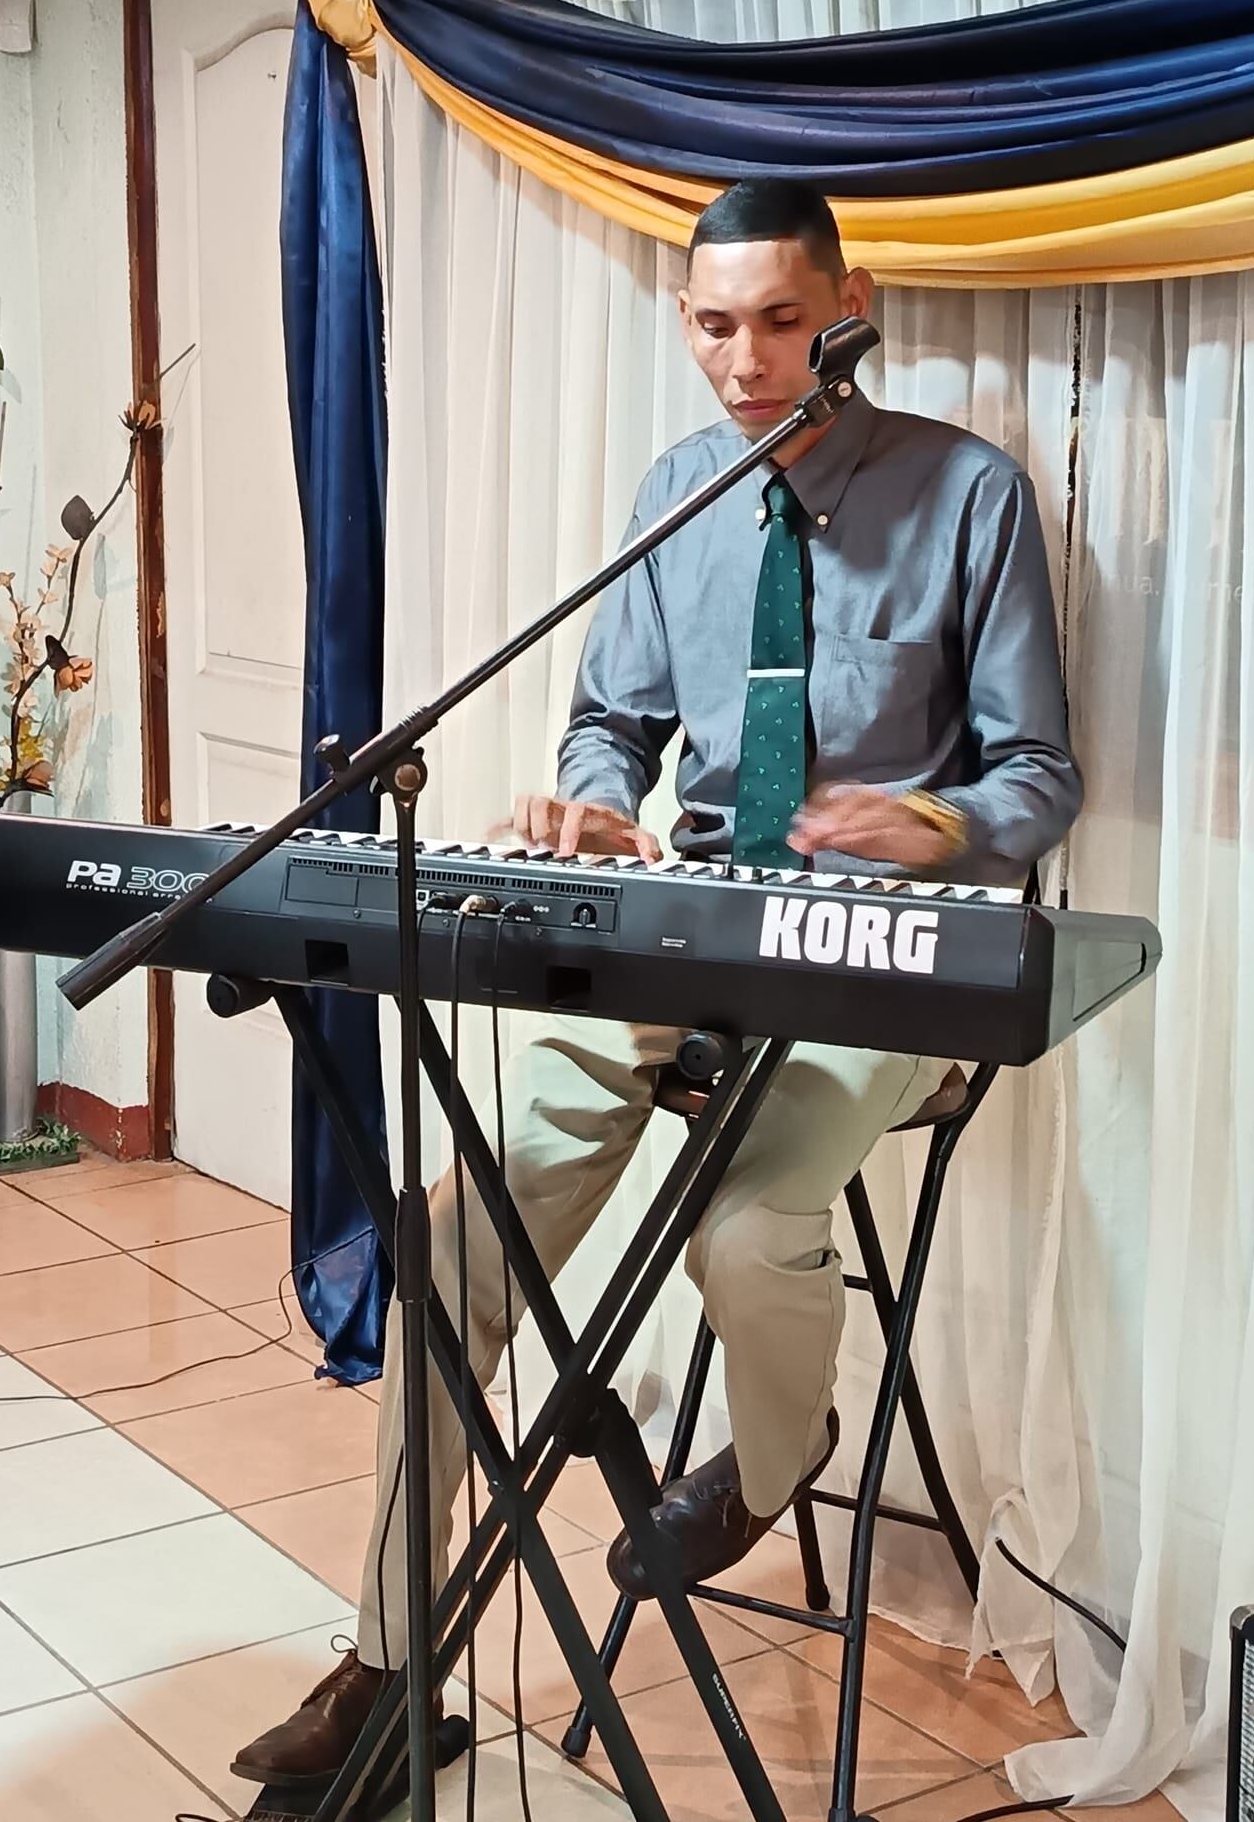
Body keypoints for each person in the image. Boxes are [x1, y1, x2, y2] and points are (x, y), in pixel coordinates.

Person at [232, 178, 1082, 1791]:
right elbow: (610, 725)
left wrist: (939, 818)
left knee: (741, 1223)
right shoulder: (677, 492)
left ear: (851, 303)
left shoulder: (971, 496)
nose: (746, 357)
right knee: (455, 1252)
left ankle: (778, 1457)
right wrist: (583, 797)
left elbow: (1040, 776)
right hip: (680, 923)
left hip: (876, 955)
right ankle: (388, 1667)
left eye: (778, 319)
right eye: (713, 323)